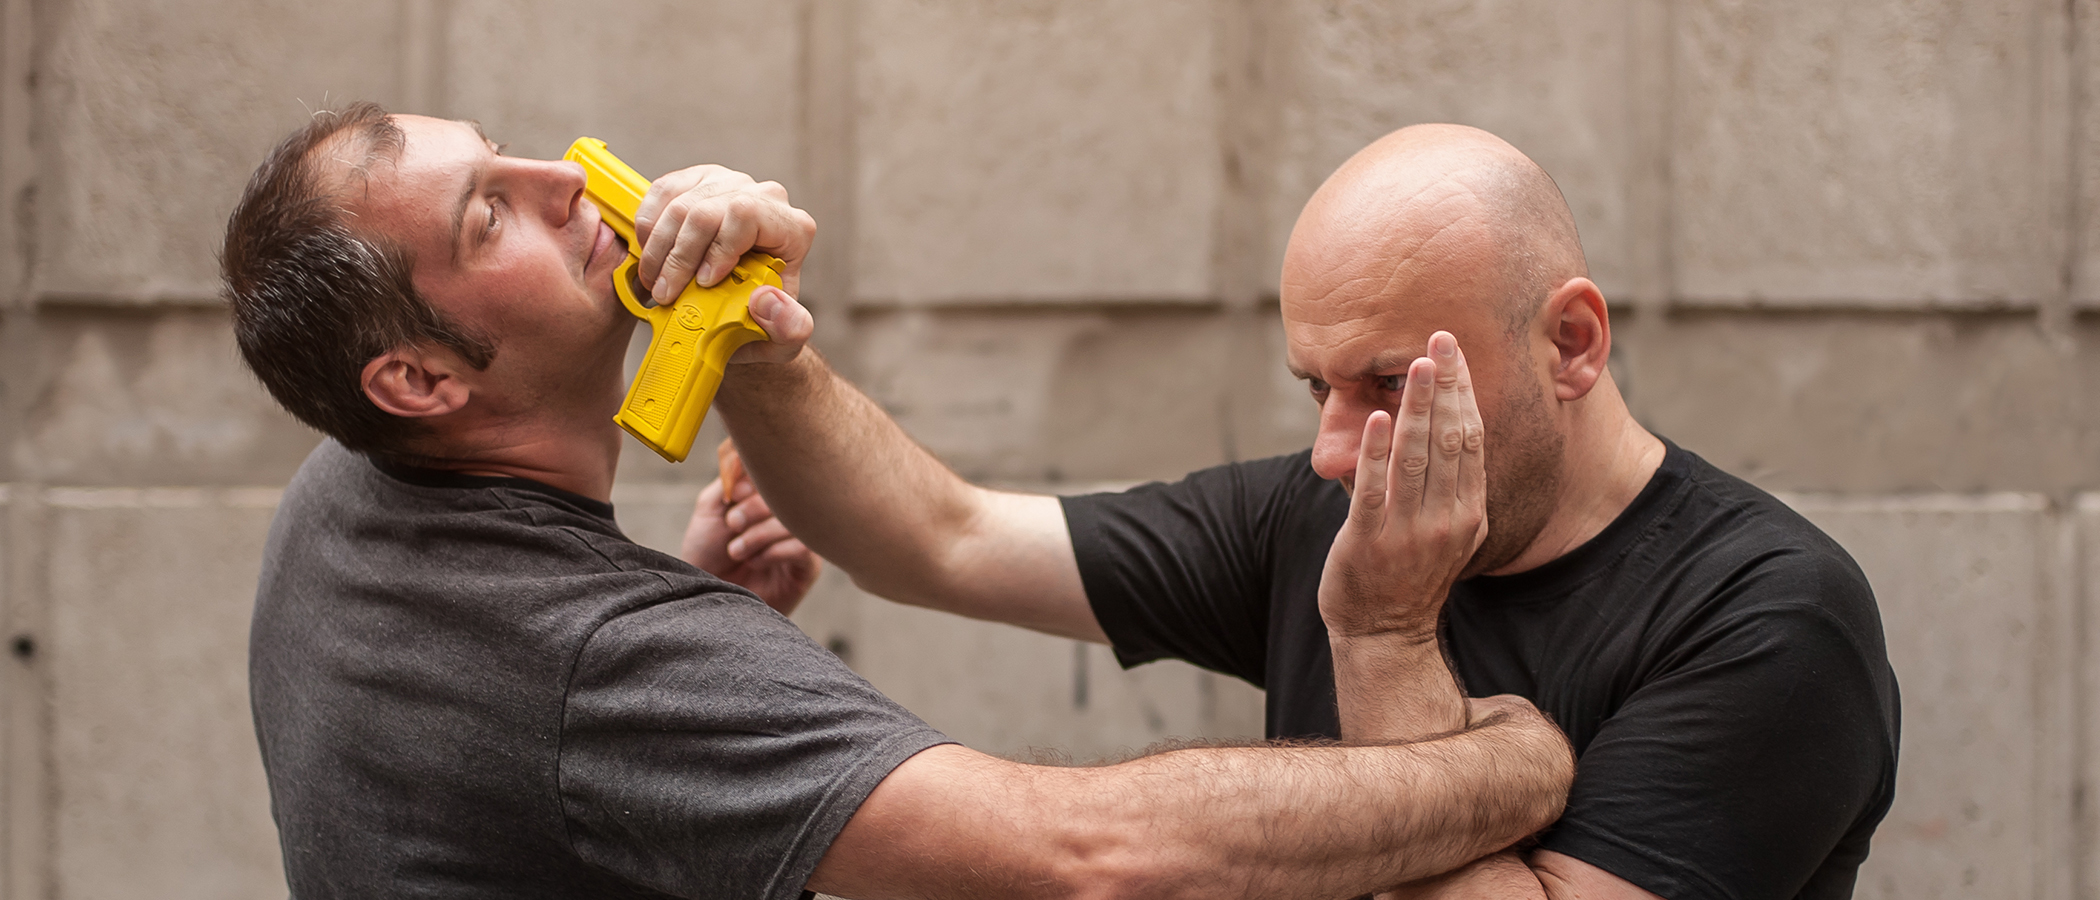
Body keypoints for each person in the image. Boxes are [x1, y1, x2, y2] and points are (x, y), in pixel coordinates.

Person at [223, 102, 1574, 900]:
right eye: (488, 218)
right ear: (414, 378)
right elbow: (1089, 860)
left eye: (507, 153)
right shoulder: (604, 660)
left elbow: (937, 538)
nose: (564, 180)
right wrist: (1507, 757)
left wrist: (744, 351)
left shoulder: (341, 493)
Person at [709, 124, 1902, 899]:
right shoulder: (1330, 505)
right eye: (1315, 388)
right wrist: (758, 348)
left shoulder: (1772, 616)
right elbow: (942, 541)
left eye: (1390, 384)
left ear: (1571, 344)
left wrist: (1382, 640)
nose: (1334, 451)